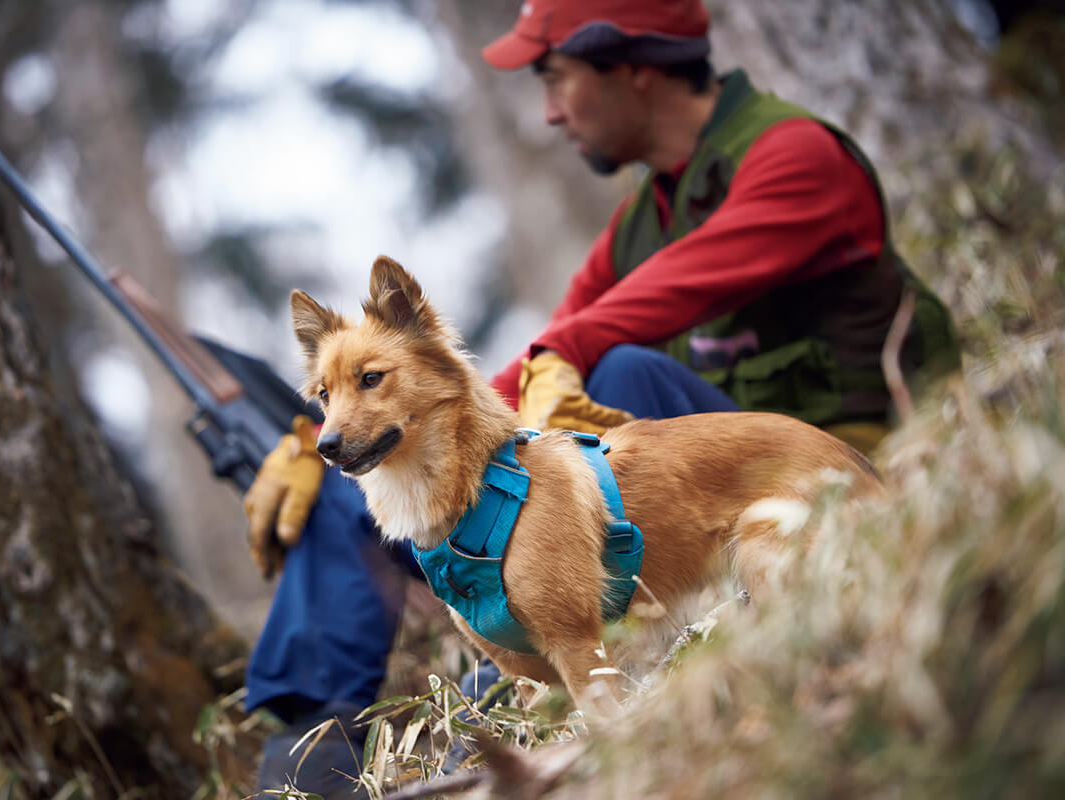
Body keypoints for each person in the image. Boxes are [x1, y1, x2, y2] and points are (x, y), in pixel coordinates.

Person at [244, 0, 960, 795]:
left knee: (617, 372)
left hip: (809, 473)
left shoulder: (795, 154)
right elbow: (506, 375)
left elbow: (637, 309)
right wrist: (328, 434)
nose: (549, 111)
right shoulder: (642, 218)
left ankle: (557, 637)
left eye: (557, 79)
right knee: (371, 482)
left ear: (633, 68)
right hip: (691, 464)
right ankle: (310, 748)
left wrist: (558, 361)